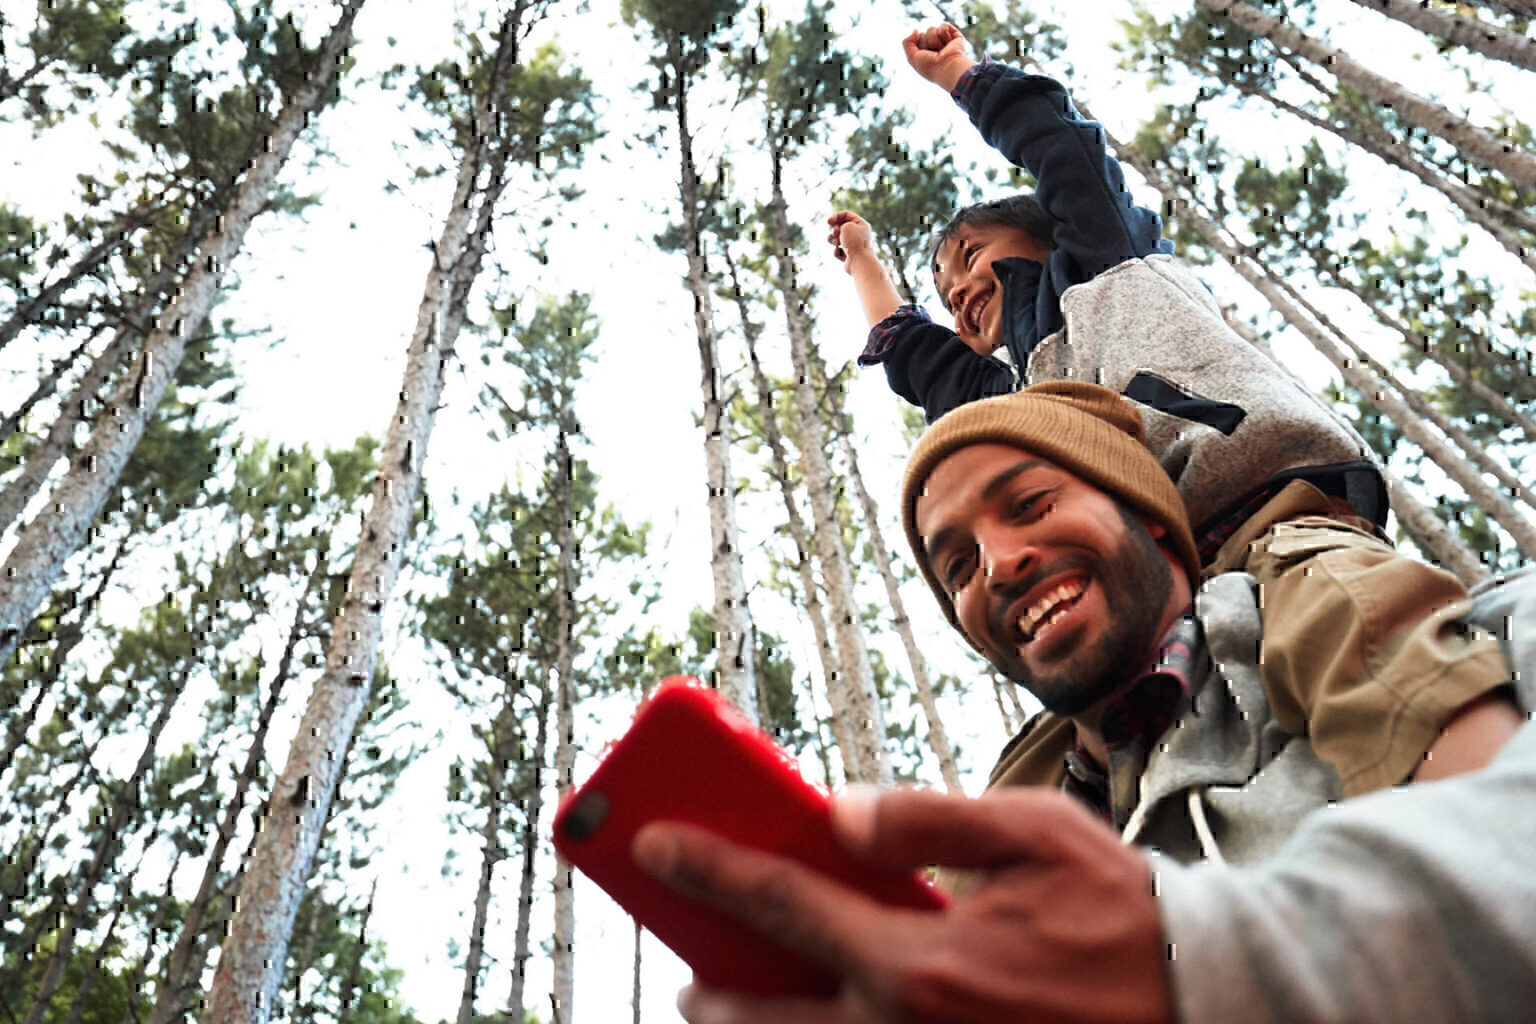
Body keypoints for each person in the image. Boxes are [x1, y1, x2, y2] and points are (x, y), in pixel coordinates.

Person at [628, 386, 1530, 1023]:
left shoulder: (1465, 630)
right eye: (957, 566)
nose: (997, 563)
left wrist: (1205, 965)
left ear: (1147, 515)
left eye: (1031, 503)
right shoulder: (988, 884)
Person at [831, 24, 1388, 558]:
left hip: (1275, 501)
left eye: (970, 256)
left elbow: (1064, 152)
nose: (956, 296)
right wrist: (861, 259)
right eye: (946, 295)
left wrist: (960, 73)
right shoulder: (1010, 401)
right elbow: (914, 354)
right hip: (1174, 585)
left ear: (1047, 236)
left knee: (1333, 626)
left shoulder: (1103, 256)